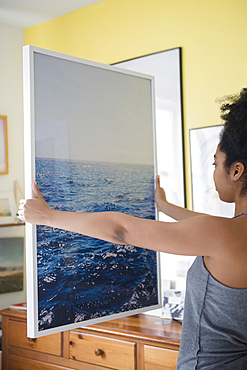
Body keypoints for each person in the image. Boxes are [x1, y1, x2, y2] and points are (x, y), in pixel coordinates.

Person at [18, 88, 247, 369]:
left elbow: (121, 230)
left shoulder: (220, 235)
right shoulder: (229, 233)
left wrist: (48, 216)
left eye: (215, 163)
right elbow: (208, 227)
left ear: (236, 171)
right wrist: (163, 206)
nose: (213, 171)